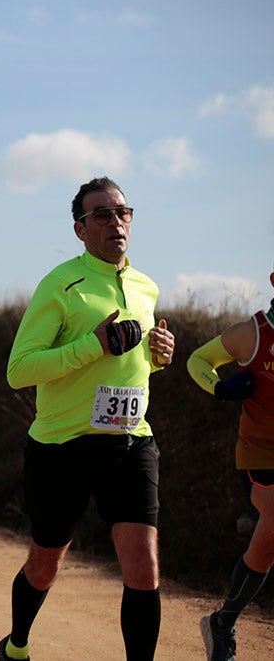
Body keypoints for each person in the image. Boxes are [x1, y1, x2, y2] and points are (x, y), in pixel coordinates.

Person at [0, 177, 176, 661]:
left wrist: (159, 356)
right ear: (80, 229)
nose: (115, 221)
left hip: (131, 442)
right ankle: (15, 646)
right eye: (102, 214)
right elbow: (19, 370)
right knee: (44, 566)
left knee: (143, 569)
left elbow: (134, 361)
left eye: (123, 212)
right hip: (62, 446)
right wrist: (91, 346)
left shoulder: (146, 286)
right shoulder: (60, 284)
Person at [187, 265, 274, 661]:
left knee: (266, 547)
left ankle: (222, 622)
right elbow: (197, 361)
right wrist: (220, 387)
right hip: (260, 455)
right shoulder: (250, 334)